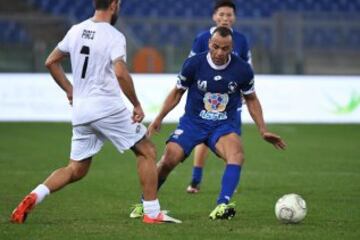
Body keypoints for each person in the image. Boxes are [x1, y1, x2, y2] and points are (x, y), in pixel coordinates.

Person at [10, 0, 180, 224]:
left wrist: (71, 91)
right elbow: (120, 73)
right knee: (146, 150)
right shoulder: (114, 36)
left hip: (81, 111)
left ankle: (35, 195)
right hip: (106, 107)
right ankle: (151, 212)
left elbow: (51, 61)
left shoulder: (76, 30)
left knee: (76, 169)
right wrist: (137, 104)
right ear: (114, 5)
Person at [130, 26, 286, 220]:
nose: (220, 52)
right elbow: (177, 92)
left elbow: (252, 99)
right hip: (193, 123)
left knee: (236, 155)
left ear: (232, 48)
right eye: (216, 46)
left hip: (223, 125)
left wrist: (263, 130)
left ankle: (222, 205)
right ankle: (145, 204)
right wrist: (159, 118)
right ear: (210, 44)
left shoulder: (242, 69)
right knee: (169, 159)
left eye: (225, 48)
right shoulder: (194, 63)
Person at [187, 0, 252, 194]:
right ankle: (195, 179)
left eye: (229, 15)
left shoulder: (241, 40)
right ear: (214, 16)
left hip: (231, 102)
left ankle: (228, 185)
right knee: (203, 138)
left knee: (232, 141)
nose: (225, 18)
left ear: (234, 18)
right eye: (221, 14)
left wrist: (244, 91)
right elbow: (191, 65)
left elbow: (248, 68)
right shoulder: (202, 39)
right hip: (205, 100)